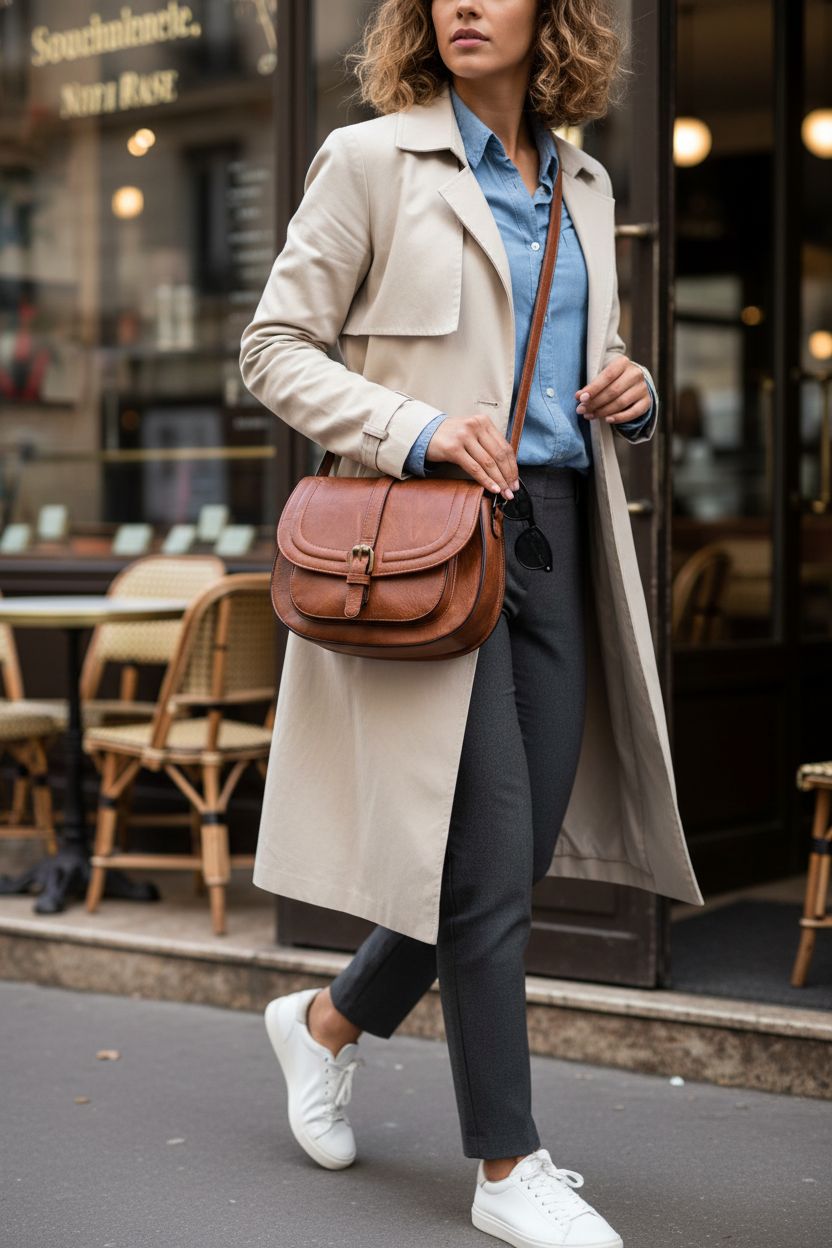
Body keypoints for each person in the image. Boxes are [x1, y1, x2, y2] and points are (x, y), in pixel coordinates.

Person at [239, 3, 703, 1246]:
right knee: (489, 857)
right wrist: (416, 428)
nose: (461, 2)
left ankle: (326, 1023)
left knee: (516, 845)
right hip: (424, 541)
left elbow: (584, 357)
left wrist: (637, 389)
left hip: (552, 532)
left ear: (554, 16)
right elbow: (273, 348)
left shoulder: (585, 180)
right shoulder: (368, 160)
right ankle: (507, 1167)